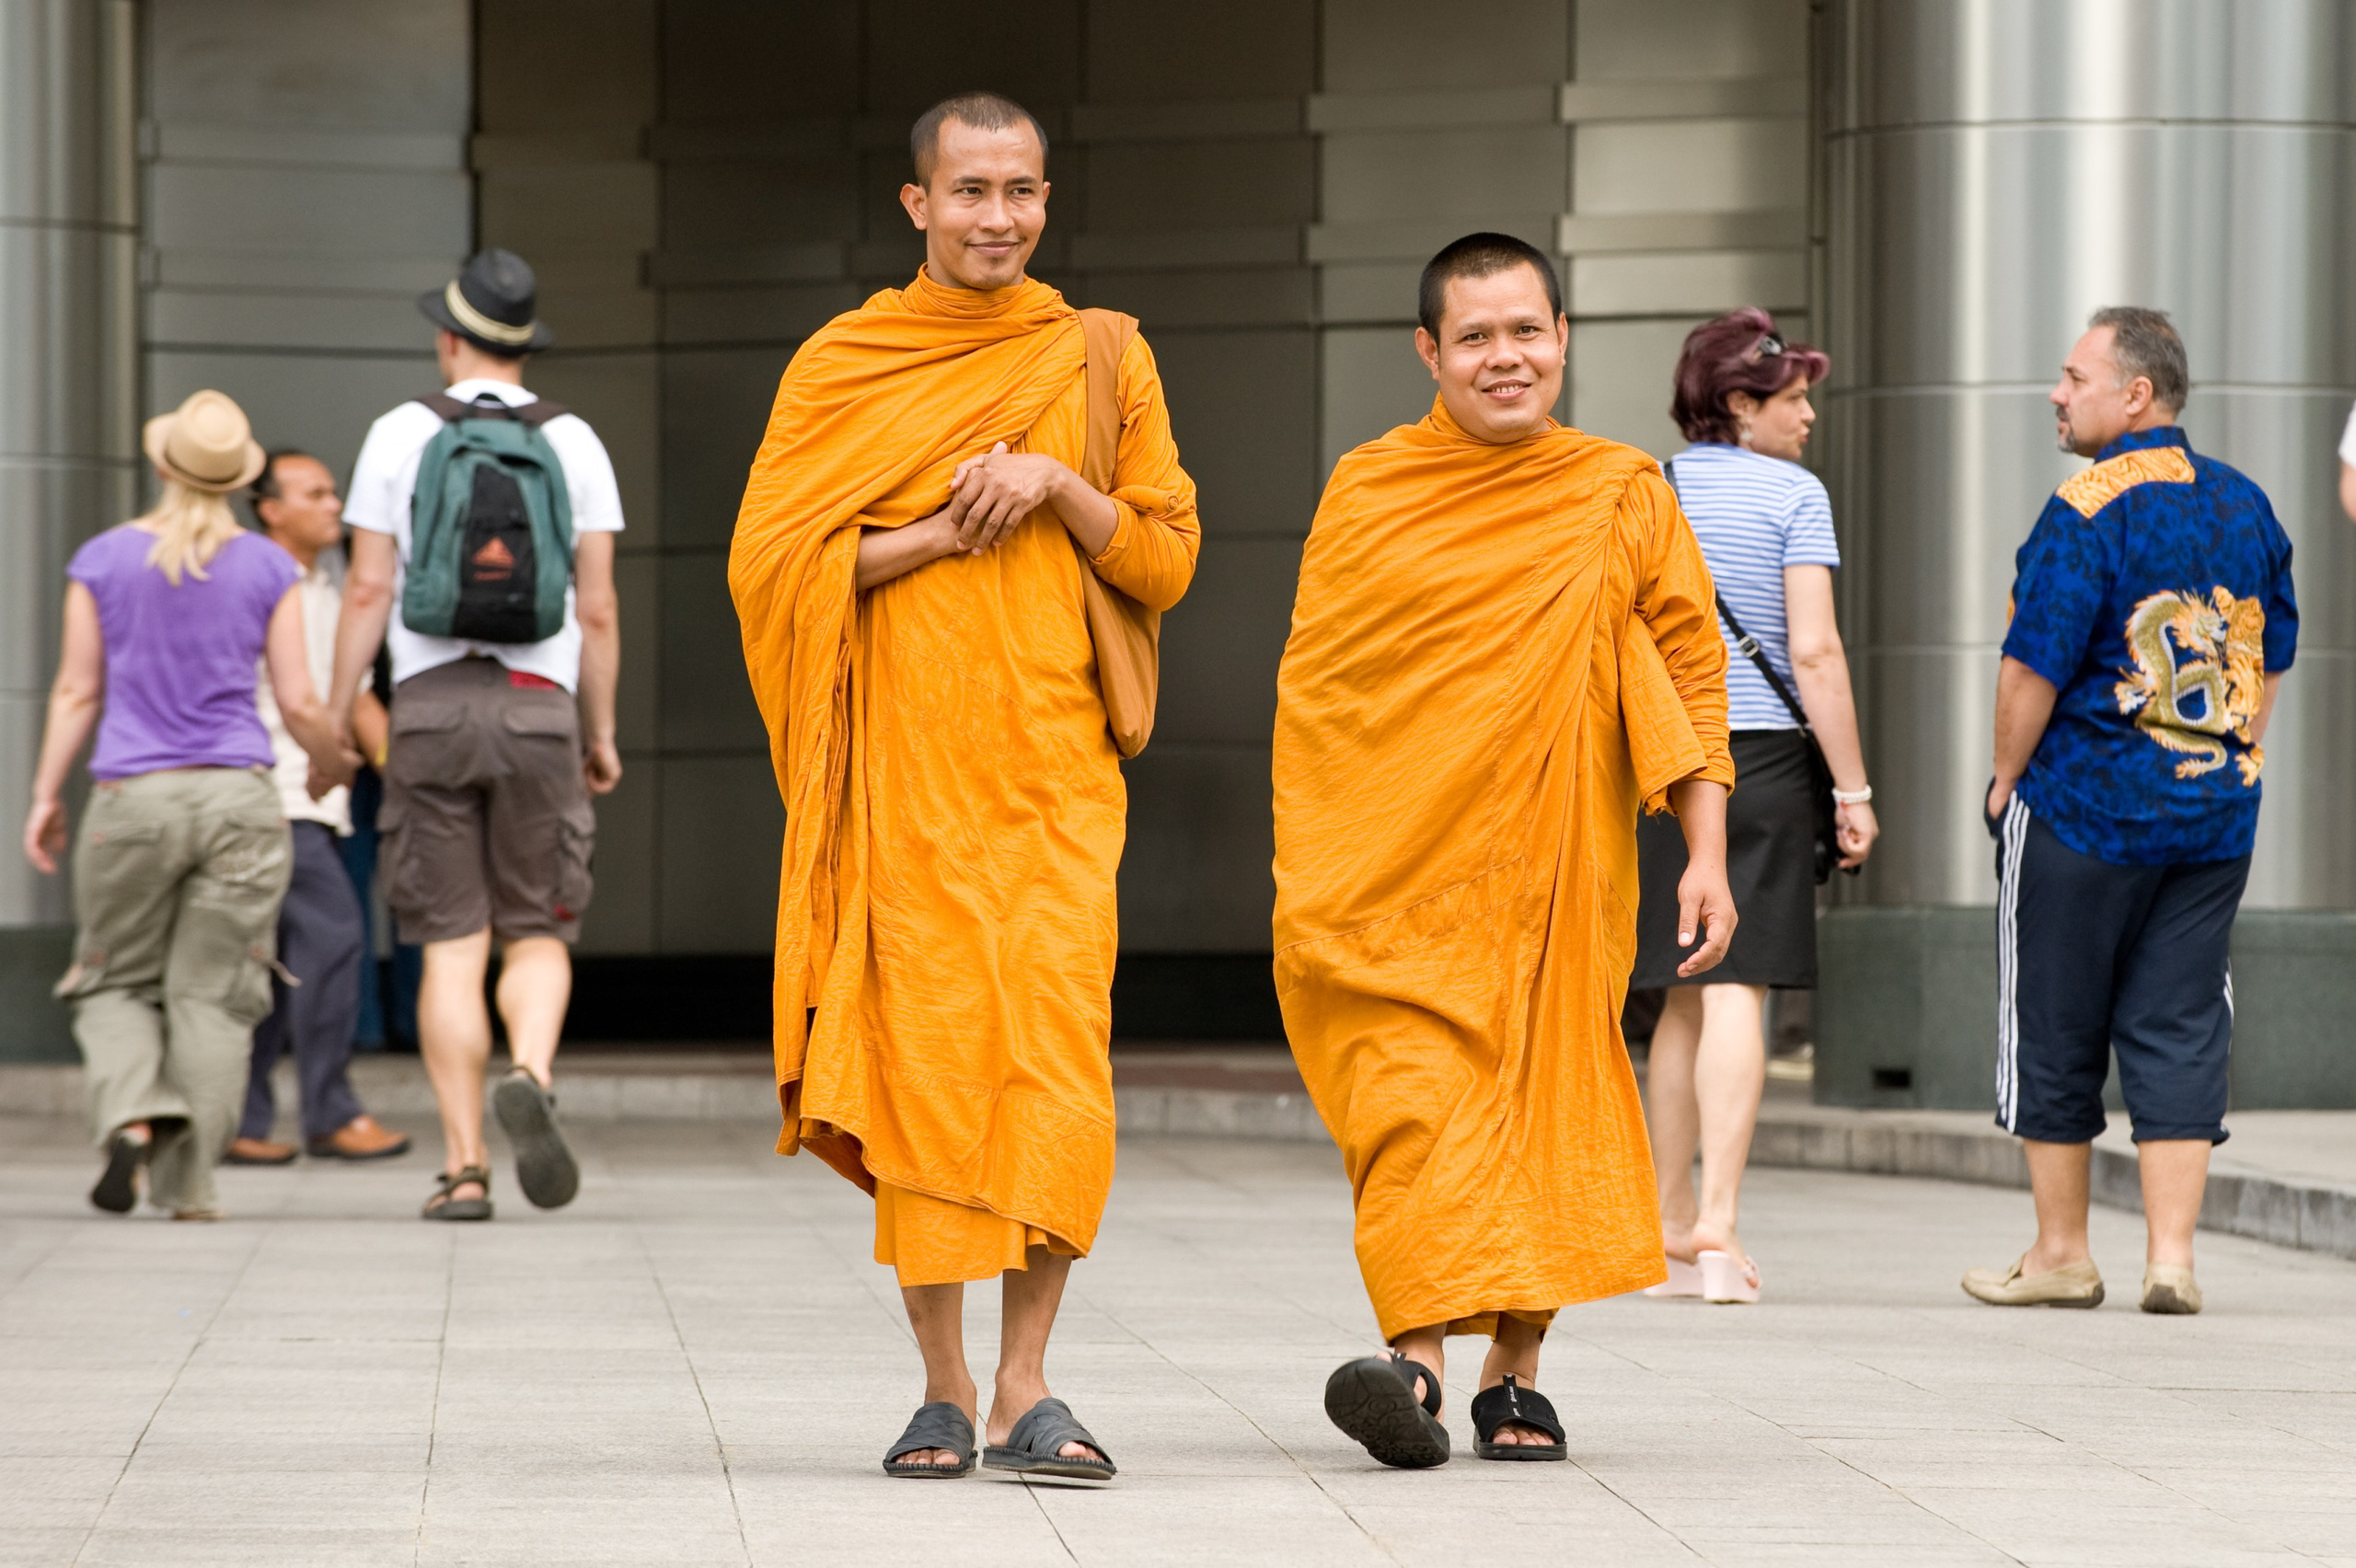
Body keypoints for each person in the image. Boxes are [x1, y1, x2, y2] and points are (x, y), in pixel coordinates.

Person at [729, 92, 1199, 1482]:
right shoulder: (844, 362)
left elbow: (1165, 560)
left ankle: (1028, 1384)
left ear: (1048, 200)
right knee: (927, 1073)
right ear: (916, 205)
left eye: (1024, 191)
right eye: (972, 191)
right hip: (905, 787)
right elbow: (773, 567)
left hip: (1057, 787)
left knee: (1056, 1072)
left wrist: (1058, 483)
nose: (1000, 216)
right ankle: (942, 1386)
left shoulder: (1100, 356)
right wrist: (933, 529)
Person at [1272, 234, 1736, 1469]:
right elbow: (1324, 692)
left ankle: (1514, 1374)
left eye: (1526, 331)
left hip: (1553, 868)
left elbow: (1690, 669)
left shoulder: (1623, 489)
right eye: (1475, 337)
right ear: (1430, 352)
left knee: (1540, 1107)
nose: (1505, 358)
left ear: (1566, 337)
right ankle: (1415, 1367)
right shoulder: (1370, 487)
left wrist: (1706, 854)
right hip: (1392, 877)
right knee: (1413, 1106)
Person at [1968, 306, 2295, 1316]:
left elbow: (2032, 663)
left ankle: (2062, 1253)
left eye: (2073, 376)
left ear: (2134, 394)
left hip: (2082, 809)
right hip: (2210, 819)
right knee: (2183, 1019)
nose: (2057, 394)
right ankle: (2171, 1258)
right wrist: (2240, 751)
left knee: (2055, 1019)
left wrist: (2002, 776)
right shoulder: (2244, 502)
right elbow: (2272, 650)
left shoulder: (2085, 505)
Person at [324, 248, 625, 1223]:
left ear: (449, 339)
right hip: (542, 702)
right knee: (536, 930)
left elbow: (368, 587)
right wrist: (601, 729)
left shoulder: (398, 433)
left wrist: (339, 710)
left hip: (430, 706)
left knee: (451, 945)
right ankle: (530, 1074)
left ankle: (463, 1168)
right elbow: (602, 607)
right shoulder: (575, 441)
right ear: (524, 345)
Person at [21, 390, 354, 1220]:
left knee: (111, 982)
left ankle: (135, 1114)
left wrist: (42, 796)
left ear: (163, 465)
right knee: (217, 993)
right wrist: (327, 765)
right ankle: (192, 1187)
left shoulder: (102, 560)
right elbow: (301, 699)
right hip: (242, 800)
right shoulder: (268, 566)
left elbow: (74, 690)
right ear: (239, 482)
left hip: (134, 798)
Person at [1631, 308, 1879, 1305]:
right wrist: (1852, 790)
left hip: (1660, 753)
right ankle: (1720, 1235)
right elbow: (1813, 652)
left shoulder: (1641, 490)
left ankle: (1658, 1233)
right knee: (1740, 985)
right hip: (1767, 758)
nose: (1809, 415)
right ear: (1739, 403)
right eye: (1793, 397)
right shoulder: (1792, 495)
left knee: (1679, 988)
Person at [224, 451, 410, 1166]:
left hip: (302, 800)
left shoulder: (322, 587)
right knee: (332, 939)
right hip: (272, 797)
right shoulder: (257, 582)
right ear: (267, 507)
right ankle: (327, 1113)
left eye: (335, 492)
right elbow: (306, 703)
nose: (334, 504)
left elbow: (357, 698)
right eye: (315, 493)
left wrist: (407, 778)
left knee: (270, 964)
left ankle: (242, 1117)